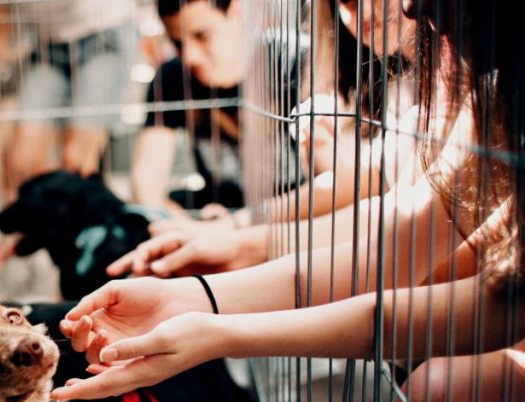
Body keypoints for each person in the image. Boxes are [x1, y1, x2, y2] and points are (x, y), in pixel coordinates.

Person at [52, 0, 525, 402]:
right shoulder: (484, 90)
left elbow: (404, 230)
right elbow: (399, 241)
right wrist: (199, 298)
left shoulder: (362, 72)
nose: (412, 7)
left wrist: (222, 316)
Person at [116, 0, 421, 278]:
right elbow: (146, 183)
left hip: (295, 224)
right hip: (222, 215)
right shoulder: (172, 77)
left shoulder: (299, 62)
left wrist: (232, 231)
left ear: (236, 11)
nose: (190, 56)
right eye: (178, 43)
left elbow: (345, 185)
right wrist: (193, 228)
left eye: (202, 35)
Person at [5, 0, 138, 186]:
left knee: (77, 161)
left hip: (104, 32)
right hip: (48, 42)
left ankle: (77, 197)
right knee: (23, 160)